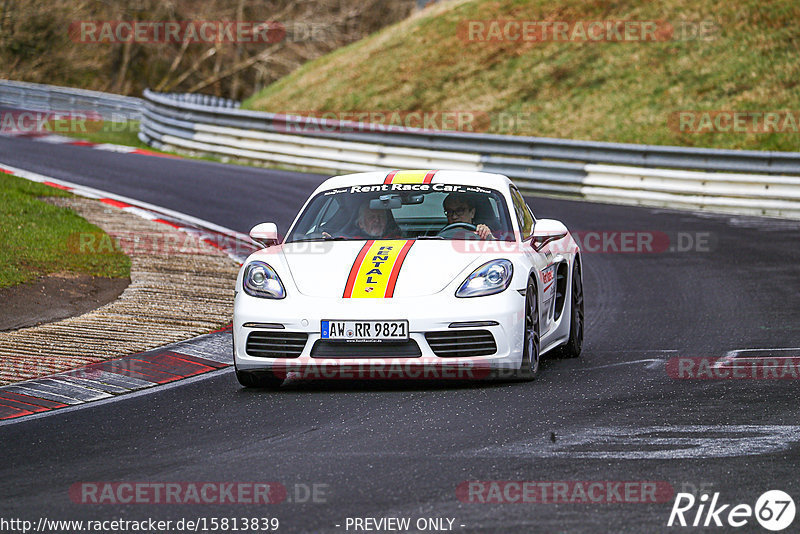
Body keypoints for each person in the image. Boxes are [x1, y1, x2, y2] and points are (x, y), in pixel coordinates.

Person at [323, 200, 400, 239]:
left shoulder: (400, 240)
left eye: (381, 217)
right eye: (371, 217)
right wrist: (331, 242)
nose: (377, 220)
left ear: (386, 221)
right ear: (361, 224)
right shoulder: (348, 241)